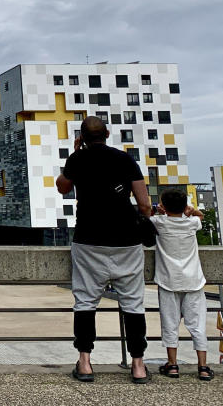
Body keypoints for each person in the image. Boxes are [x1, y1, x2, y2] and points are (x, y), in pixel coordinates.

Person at [56, 116, 152, 384]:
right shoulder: (124, 159)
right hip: (126, 240)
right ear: (107, 134)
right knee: (133, 303)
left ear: (82, 137)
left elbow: (62, 186)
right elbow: (144, 204)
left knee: (85, 301)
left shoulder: (78, 159)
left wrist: (75, 155)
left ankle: (85, 363)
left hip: (89, 238)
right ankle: (138, 365)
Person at [152, 188, 213, 381]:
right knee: (197, 325)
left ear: (164, 206)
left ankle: (172, 365)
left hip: (168, 280)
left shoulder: (159, 223)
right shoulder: (192, 223)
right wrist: (190, 209)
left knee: (170, 324)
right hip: (193, 281)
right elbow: (200, 216)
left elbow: (146, 216)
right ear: (184, 205)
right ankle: (202, 367)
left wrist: (157, 211)